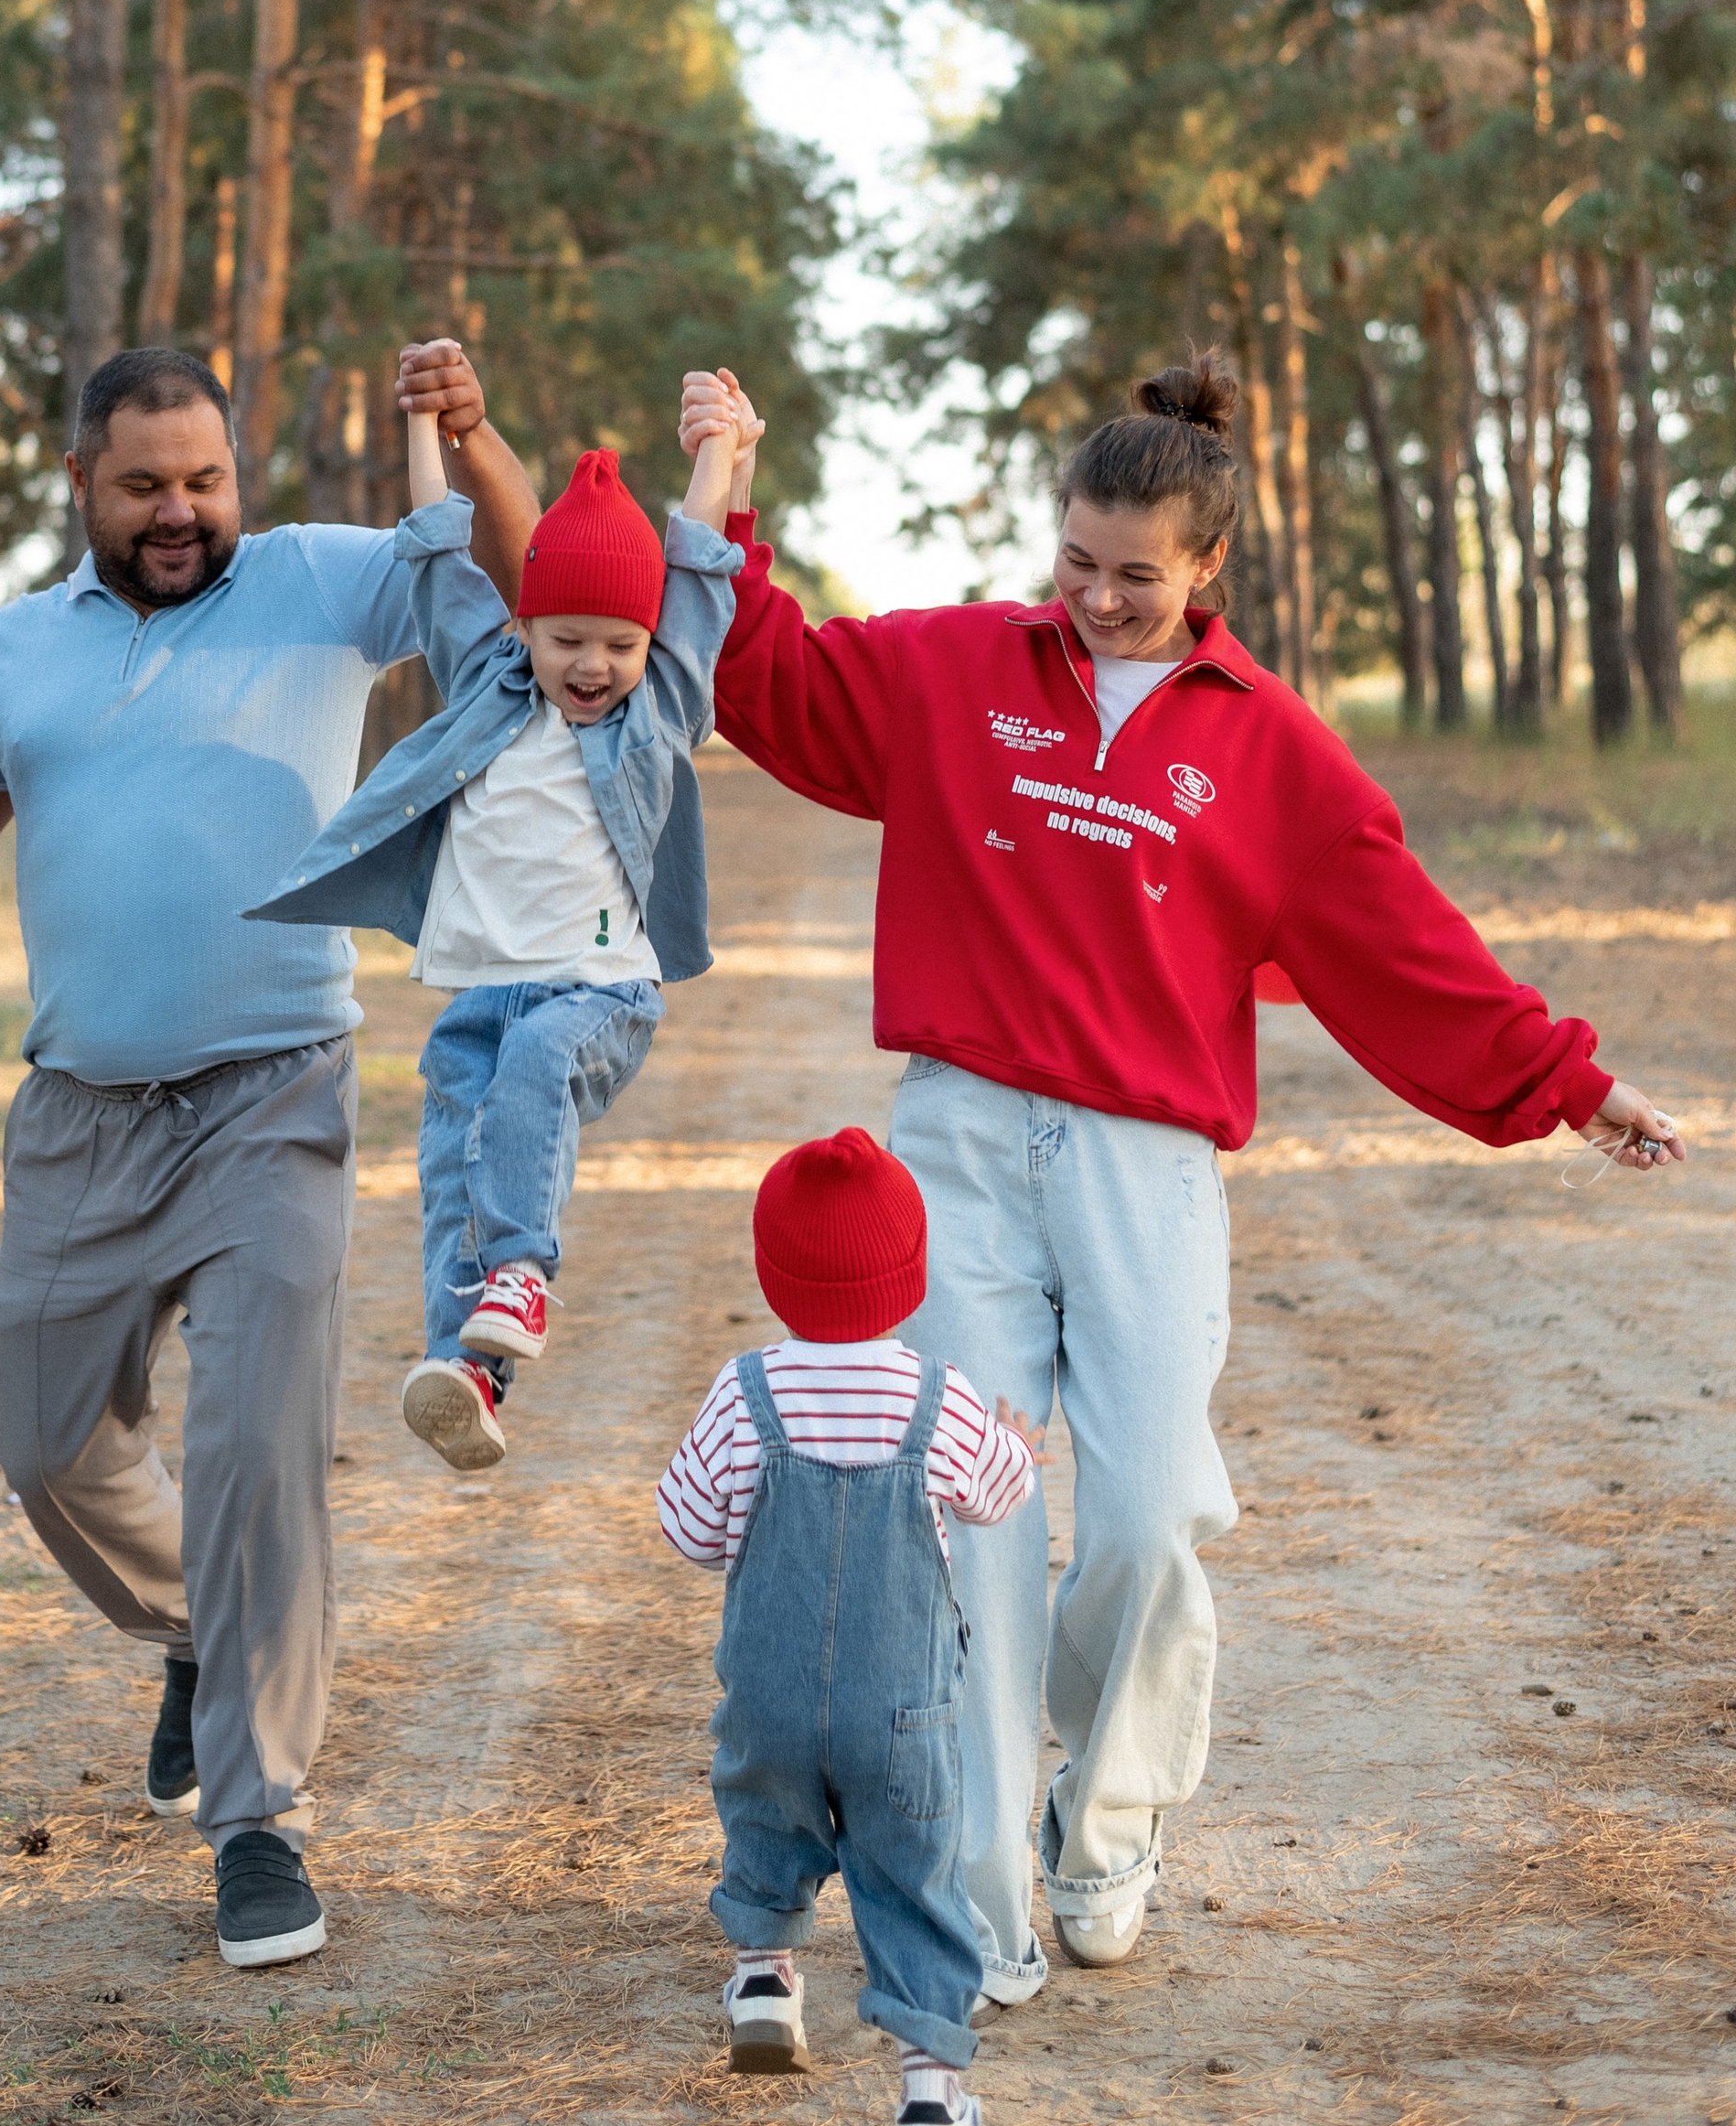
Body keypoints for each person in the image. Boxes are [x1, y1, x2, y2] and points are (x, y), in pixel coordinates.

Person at [679, 350, 1684, 2013]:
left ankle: (1114, 1814)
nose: (1093, 599)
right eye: (1074, 562)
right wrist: (724, 487)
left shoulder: (1271, 750)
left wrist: (1569, 1084)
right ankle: (978, 1897)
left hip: (1146, 1168)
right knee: (970, 1523)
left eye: (1134, 577)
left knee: (1146, 1517)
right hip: (961, 1142)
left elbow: (1403, 951)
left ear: (1209, 568)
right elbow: (765, 679)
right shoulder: (954, 670)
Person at [0, 338, 538, 1973]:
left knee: (254, 1453)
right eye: (146, 484)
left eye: (206, 479)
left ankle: (259, 1822)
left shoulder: (322, 584)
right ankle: (195, 1638)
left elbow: (522, 567)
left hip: (272, 1094)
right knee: (44, 1438)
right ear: (82, 484)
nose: (182, 512)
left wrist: (474, 434)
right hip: (78, 1111)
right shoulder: (14, 645)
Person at [251, 387, 744, 1472]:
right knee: (450, 1159)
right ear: (522, 624)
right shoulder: (488, 680)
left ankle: (524, 1274)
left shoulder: (661, 705)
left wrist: (716, 452)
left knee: (534, 1063)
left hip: (598, 995)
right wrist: (424, 431)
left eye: (619, 642)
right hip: (484, 990)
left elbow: (703, 567)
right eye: (568, 637)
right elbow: (435, 553)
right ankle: (462, 1367)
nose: (592, 665)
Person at [657, 1129, 1042, 2126]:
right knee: (912, 1881)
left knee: (766, 1824)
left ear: (771, 1276)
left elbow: (687, 1528)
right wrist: (1018, 1442)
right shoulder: (940, 1396)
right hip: (904, 1717)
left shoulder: (743, 1396)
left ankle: (764, 1985)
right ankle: (930, 2096)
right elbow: (994, 1495)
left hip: (771, 1698)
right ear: (909, 1277)